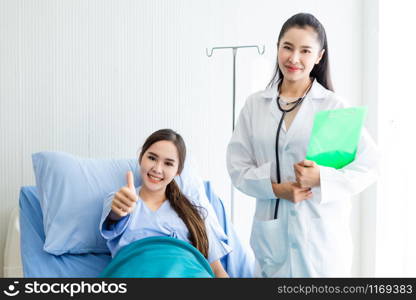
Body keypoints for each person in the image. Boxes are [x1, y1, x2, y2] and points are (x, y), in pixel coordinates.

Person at [226, 13, 378, 277]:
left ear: (319, 56)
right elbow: (237, 167)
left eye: (305, 50)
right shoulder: (255, 105)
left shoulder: (333, 107)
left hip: (322, 242)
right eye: (287, 47)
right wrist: (275, 189)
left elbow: (369, 166)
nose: (294, 58)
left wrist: (322, 177)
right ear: (277, 48)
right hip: (272, 240)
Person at [100, 129, 230, 277]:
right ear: (141, 157)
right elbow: (115, 215)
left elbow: (217, 270)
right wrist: (119, 209)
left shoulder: (194, 210)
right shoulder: (122, 198)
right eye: (152, 158)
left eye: (168, 163)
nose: (157, 169)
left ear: (178, 171)